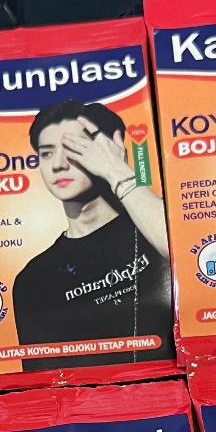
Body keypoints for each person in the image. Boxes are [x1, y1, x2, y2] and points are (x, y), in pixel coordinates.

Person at [12, 99, 173, 373]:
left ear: (109, 150)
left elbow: (187, 259)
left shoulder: (154, 228)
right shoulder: (32, 280)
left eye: (74, 149)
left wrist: (117, 171)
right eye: (46, 153)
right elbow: (45, 381)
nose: (58, 165)